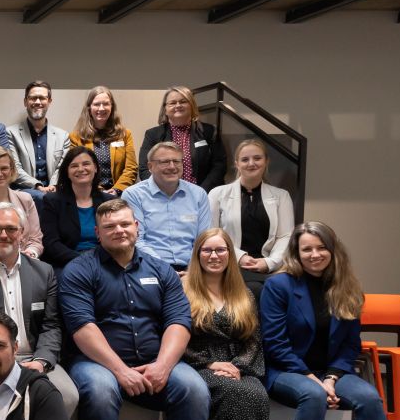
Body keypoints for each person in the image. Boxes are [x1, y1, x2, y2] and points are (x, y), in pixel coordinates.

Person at [59, 198, 210, 420]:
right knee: (101, 391)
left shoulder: (162, 270)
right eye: (110, 226)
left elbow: (179, 322)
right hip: (96, 362)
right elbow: (82, 327)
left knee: (194, 389)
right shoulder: (79, 270)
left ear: (137, 227)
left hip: (156, 359)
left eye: (125, 224)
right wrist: (120, 370)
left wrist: (163, 366)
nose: (119, 230)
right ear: (98, 233)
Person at [260, 222, 400, 420]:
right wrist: (312, 379)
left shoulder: (346, 287)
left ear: (332, 249)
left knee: (370, 398)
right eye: (307, 249)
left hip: (331, 373)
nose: (315, 254)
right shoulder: (279, 286)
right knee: (313, 395)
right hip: (286, 370)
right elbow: (274, 343)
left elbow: (350, 345)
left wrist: (330, 378)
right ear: (296, 253)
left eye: (321, 247)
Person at [0, 203, 79, 416]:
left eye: (10, 229)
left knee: (67, 395)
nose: (3, 235)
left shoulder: (44, 272)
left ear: (22, 233)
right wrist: (2, 357)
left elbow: (51, 325)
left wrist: (41, 361)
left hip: (33, 358)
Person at [181, 228, 274, 420]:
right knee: (234, 394)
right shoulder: (183, 290)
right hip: (198, 363)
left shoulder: (244, 293)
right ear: (197, 254)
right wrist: (209, 363)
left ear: (230, 255)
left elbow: (253, 339)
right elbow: (175, 337)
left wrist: (239, 366)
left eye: (220, 250)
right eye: (207, 250)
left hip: (237, 365)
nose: (214, 256)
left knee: (256, 393)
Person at [207, 139, 295, 290]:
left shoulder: (282, 196)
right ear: (237, 164)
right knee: (256, 289)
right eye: (245, 159)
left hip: (270, 266)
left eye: (257, 158)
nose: (251, 163)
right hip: (230, 263)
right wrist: (240, 257)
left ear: (266, 161)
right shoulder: (217, 194)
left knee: (281, 288)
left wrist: (269, 262)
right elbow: (211, 234)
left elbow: (285, 236)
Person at [122, 141, 212, 271]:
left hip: (192, 268)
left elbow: (203, 239)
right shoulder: (133, 195)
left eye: (177, 161)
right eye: (164, 162)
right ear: (150, 166)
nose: (172, 166)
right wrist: (166, 271)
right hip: (148, 267)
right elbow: (136, 240)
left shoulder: (198, 194)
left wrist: (193, 270)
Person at [138, 85, 227, 191]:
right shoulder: (153, 135)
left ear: (191, 105)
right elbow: (144, 168)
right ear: (165, 109)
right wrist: (161, 191)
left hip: (203, 193)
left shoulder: (209, 131)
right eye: (172, 103)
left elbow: (219, 165)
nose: (178, 105)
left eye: (183, 101)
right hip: (164, 195)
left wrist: (200, 192)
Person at [40, 146, 107, 270]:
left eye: (86, 164)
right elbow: (51, 243)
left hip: (104, 261)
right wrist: (84, 261)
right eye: (74, 166)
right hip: (67, 263)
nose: (81, 169)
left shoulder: (109, 201)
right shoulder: (52, 201)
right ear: (67, 172)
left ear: (95, 168)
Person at [68, 85, 138, 196]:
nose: (101, 108)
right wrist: (99, 191)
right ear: (89, 108)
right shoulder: (76, 137)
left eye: (106, 104)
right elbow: (76, 170)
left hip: (120, 194)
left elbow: (131, 168)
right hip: (88, 193)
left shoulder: (125, 134)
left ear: (112, 107)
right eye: (96, 104)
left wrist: (116, 190)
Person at [7, 80, 70, 202]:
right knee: (42, 197)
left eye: (42, 98)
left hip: (54, 190)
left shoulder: (63, 136)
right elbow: (14, 168)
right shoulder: (11, 133)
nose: (37, 102)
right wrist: (38, 186)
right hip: (24, 191)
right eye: (33, 98)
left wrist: (52, 186)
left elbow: (62, 168)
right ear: (25, 102)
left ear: (49, 101)